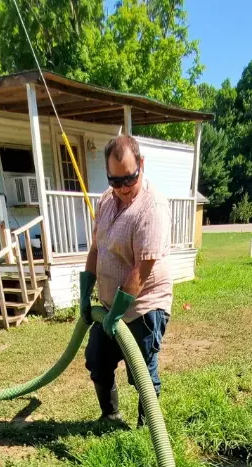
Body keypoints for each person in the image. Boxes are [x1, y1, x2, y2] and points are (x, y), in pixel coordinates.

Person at [79, 135, 172, 426]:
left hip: (144, 305)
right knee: (97, 359)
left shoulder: (152, 208)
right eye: (115, 181)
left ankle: (148, 431)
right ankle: (111, 417)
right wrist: (85, 295)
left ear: (141, 165)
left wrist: (117, 314)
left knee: (141, 371)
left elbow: (141, 271)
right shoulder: (107, 200)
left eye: (129, 180)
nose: (122, 189)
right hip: (109, 305)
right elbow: (96, 248)